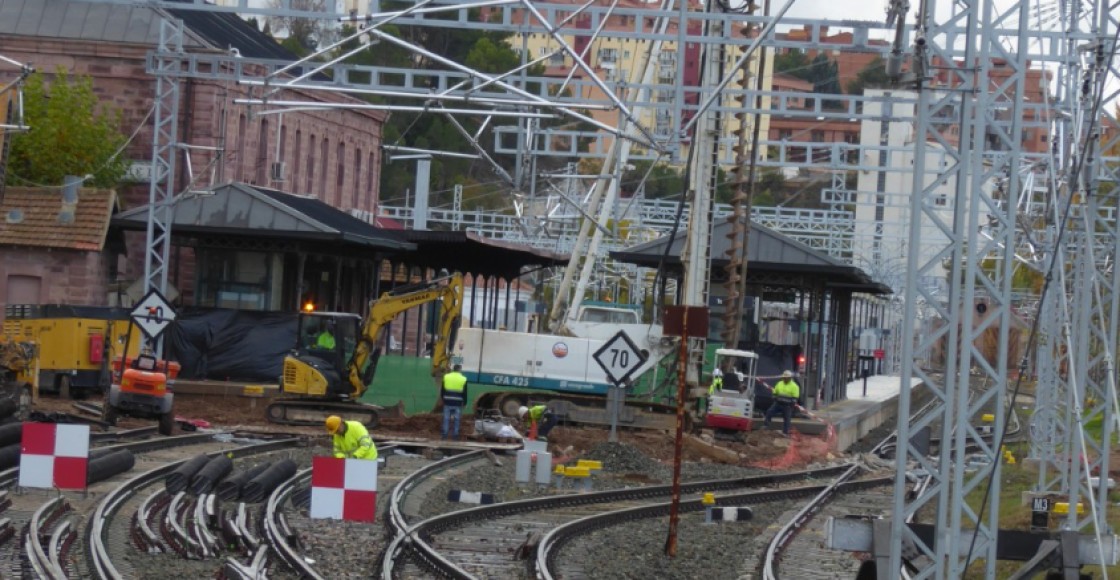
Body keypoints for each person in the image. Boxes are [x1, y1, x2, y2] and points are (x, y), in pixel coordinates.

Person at [764, 370, 801, 436]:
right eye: (784, 377)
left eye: (786, 377)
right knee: (769, 412)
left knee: (787, 419)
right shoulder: (779, 383)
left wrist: (790, 405)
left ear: (790, 378)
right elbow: (775, 392)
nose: (785, 378)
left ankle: (785, 432)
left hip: (787, 406)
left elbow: (795, 398)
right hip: (778, 403)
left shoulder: (794, 386)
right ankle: (766, 425)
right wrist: (775, 397)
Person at [441, 364, 468, 440]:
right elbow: (465, 393)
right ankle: (455, 436)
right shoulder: (463, 379)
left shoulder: (446, 377)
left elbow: (442, 390)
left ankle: (444, 435)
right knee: (457, 419)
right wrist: (465, 403)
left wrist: (443, 399)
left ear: (453, 369)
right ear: (460, 369)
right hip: (458, 402)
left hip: (447, 401)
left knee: (446, 418)